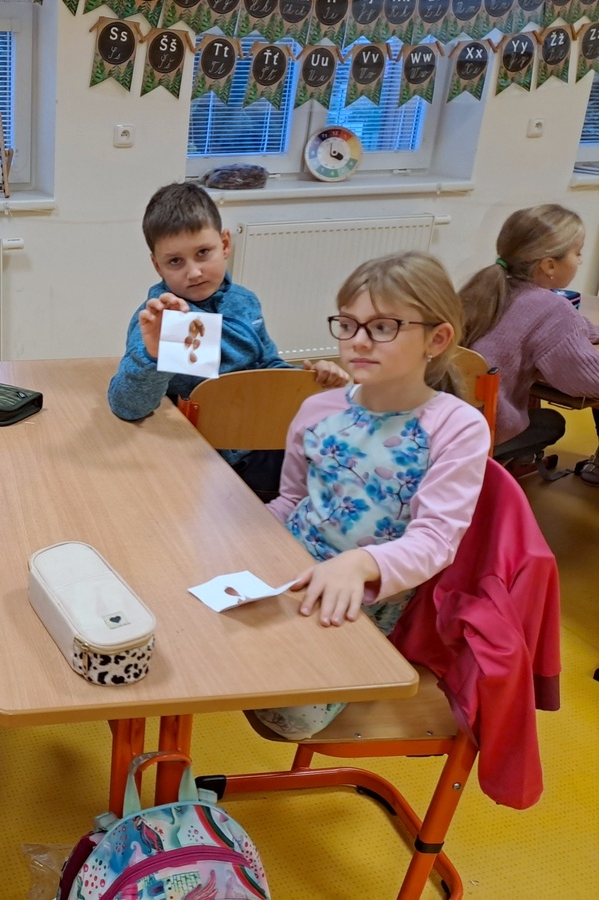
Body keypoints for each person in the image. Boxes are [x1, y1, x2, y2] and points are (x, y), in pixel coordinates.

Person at [252, 252, 491, 740]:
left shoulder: (457, 426)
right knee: (201, 644)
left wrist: (358, 565)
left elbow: (435, 540)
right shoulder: (318, 409)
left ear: (436, 339)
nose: (358, 341)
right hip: (288, 571)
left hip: (364, 597)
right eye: (348, 324)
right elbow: (292, 500)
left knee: (287, 713)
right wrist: (245, 537)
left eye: (383, 327)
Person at [107, 182, 350, 500]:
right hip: (195, 457)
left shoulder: (244, 301)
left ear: (224, 244)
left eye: (203, 253)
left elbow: (265, 365)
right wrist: (154, 356)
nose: (194, 272)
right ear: (157, 265)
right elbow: (127, 406)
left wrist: (308, 379)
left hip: (259, 442)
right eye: (175, 261)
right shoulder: (164, 317)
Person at [458, 203, 599, 480]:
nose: (580, 261)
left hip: (443, 421)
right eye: (578, 253)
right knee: (552, 422)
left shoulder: (486, 288)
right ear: (549, 265)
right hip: (480, 433)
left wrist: (588, 331)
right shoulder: (551, 308)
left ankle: (514, 463)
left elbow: (566, 327)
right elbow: (589, 380)